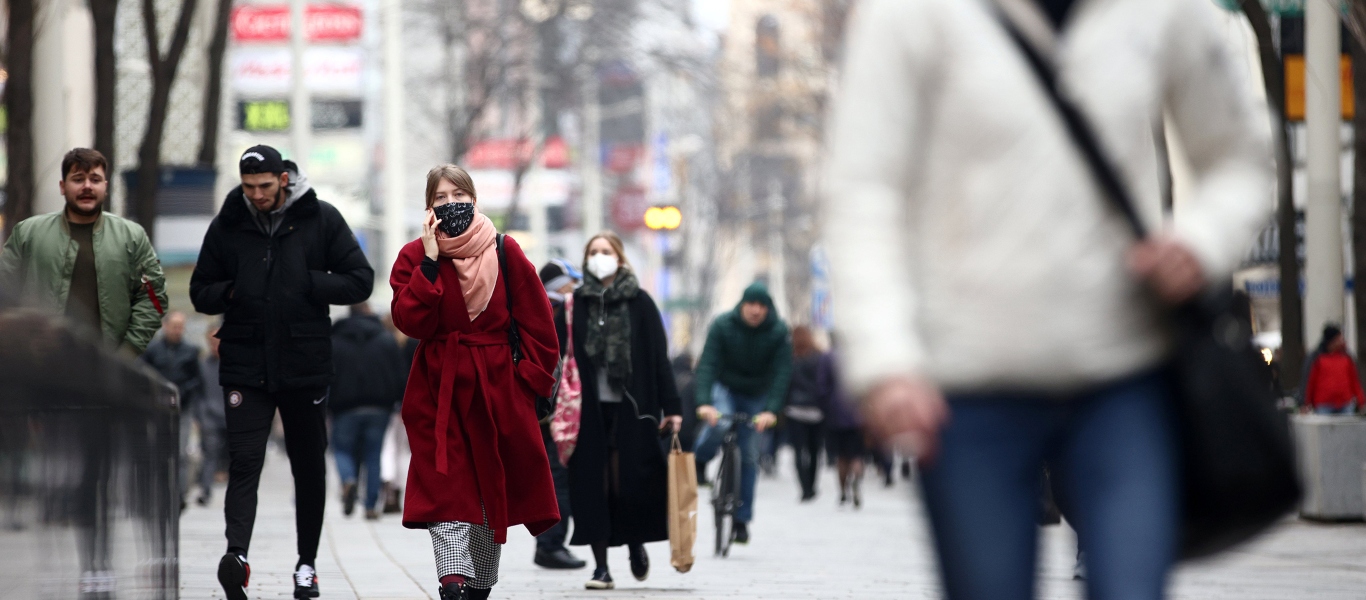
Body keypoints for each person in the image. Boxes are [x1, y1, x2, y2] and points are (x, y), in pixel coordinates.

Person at [821, 1, 1274, 598]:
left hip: (1124, 374)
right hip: (969, 387)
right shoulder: (909, 16)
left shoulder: (1162, 11)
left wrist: (1200, 240)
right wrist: (885, 360)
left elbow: (1239, 155)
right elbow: (863, 194)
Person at [191, 145, 374, 600]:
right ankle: (237, 556)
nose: (256, 195)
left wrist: (308, 281)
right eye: (249, 187)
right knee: (245, 460)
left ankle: (306, 565)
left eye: (265, 187)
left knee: (309, 466)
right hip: (245, 361)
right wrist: (234, 292)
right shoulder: (229, 222)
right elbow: (201, 291)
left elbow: (360, 279)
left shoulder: (321, 218)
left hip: (304, 362)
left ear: (284, 180)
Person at [390, 164, 561, 600]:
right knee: (444, 482)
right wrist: (429, 262)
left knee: (490, 487)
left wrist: (528, 383)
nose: (451, 205)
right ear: (428, 207)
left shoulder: (506, 251)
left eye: (458, 196)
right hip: (439, 389)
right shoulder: (413, 256)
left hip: (498, 388)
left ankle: (479, 582)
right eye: (440, 199)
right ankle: (452, 579)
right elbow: (411, 321)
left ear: (475, 199)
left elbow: (539, 325)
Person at [563, 231, 682, 590]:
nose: (600, 257)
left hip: (634, 409)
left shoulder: (640, 302)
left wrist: (673, 407)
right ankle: (601, 567)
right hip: (587, 412)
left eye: (606, 251)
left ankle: (635, 542)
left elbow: (659, 359)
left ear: (620, 257)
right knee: (592, 488)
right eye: (594, 252)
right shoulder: (576, 304)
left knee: (627, 484)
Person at [0, 147, 166, 355]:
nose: (87, 186)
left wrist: (128, 351)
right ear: (62, 186)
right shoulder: (28, 233)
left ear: (105, 187)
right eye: (78, 179)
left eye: (95, 180)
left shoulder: (131, 236)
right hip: (41, 363)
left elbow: (153, 299)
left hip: (107, 368)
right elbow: (5, 292)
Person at [692, 282, 792, 545]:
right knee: (719, 422)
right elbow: (708, 364)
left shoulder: (779, 332)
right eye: (751, 304)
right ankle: (700, 460)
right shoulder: (723, 325)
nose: (756, 311)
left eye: (762, 306)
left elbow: (782, 374)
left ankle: (741, 520)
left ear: (768, 309)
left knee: (749, 454)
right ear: (742, 304)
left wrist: (771, 410)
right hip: (725, 387)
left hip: (756, 393)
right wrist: (704, 402)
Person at [533, 259, 588, 570]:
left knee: (554, 477)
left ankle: (550, 543)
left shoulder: (543, 308)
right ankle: (550, 545)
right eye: (571, 282)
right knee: (558, 479)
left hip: (546, 408)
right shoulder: (556, 312)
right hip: (556, 410)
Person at [330, 302, 406, 520]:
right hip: (379, 407)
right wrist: (398, 402)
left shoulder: (336, 340)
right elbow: (399, 374)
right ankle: (371, 505)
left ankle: (348, 479)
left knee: (342, 450)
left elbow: (328, 375)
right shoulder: (385, 339)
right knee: (374, 455)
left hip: (344, 407)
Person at [141, 311, 206, 509]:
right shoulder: (152, 350)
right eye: (174, 326)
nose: (177, 330)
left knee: (181, 453)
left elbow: (198, 381)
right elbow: (143, 373)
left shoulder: (190, 351)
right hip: (157, 408)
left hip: (182, 408)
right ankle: (158, 491)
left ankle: (179, 493)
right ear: (165, 326)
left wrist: (185, 393)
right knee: (158, 451)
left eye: (181, 326)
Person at [818, 345, 864, 508]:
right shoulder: (861, 353)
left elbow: (822, 386)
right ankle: (857, 481)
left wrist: (825, 407)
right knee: (857, 454)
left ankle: (843, 492)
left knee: (841, 456)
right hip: (859, 411)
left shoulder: (828, 356)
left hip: (836, 413)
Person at [785, 326, 825, 501]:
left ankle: (804, 488)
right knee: (815, 450)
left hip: (794, 410)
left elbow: (785, 382)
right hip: (816, 410)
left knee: (799, 451)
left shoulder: (789, 357)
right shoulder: (819, 357)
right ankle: (813, 485)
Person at [199, 323, 229, 506]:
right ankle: (206, 490)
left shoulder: (235, 364)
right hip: (210, 416)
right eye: (212, 339)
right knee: (209, 453)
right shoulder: (202, 364)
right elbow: (198, 392)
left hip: (232, 415)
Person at [1303, 324, 1364, 415]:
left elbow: (1354, 381)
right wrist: (1306, 403)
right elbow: (1311, 382)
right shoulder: (1318, 358)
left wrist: (1361, 401)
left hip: (1344, 403)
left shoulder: (1346, 358)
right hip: (1324, 404)